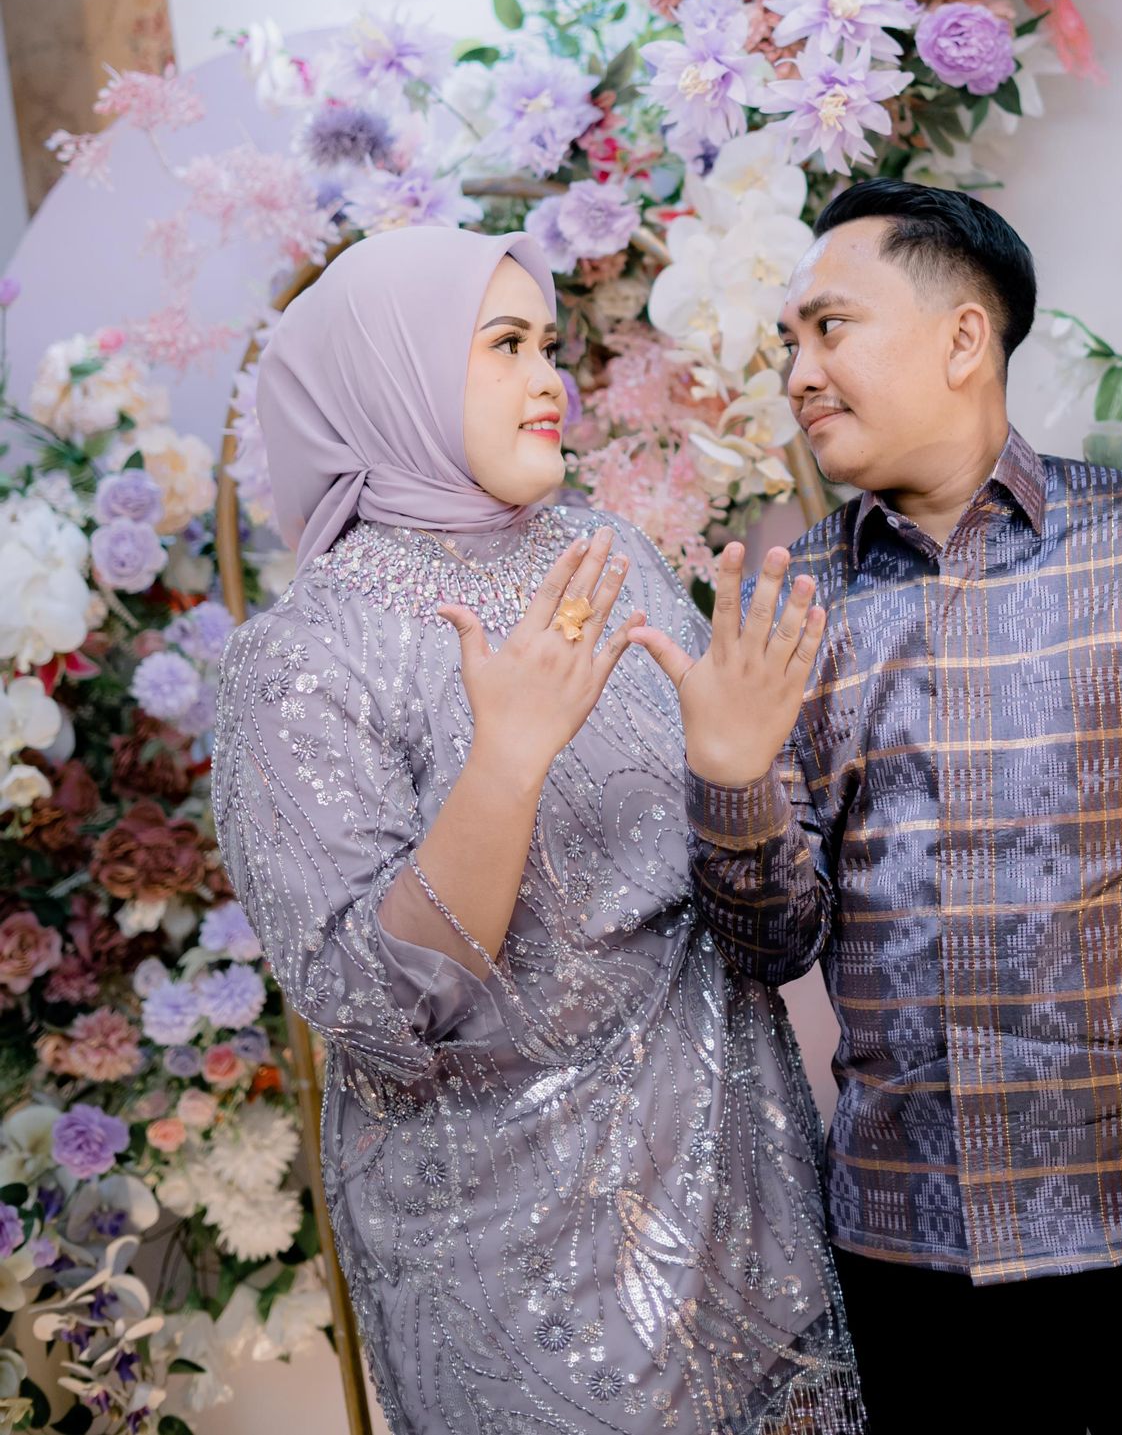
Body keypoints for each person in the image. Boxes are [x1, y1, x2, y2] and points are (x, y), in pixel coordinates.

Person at [629, 180, 1122, 1435]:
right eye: (791, 341)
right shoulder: (789, 605)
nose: (799, 371)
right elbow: (769, 945)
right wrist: (730, 775)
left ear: (964, 336)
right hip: (915, 1267)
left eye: (829, 326)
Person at [212, 224, 865, 1435]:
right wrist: (503, 767)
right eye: (505, 343)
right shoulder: (302, 657)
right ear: (395, 370)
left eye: (549, 345)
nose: (548, 378)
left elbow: (769, 930)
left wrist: (738, 779)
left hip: (741, 1203)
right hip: (514, 1265)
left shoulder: (610, 557)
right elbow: (372, 1010)